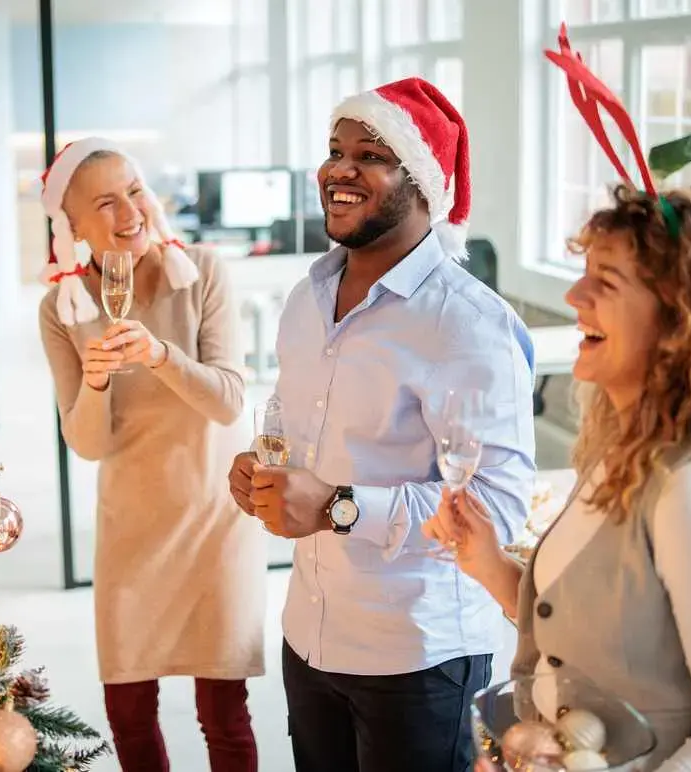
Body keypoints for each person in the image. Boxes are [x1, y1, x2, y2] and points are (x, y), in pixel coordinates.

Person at [428, 32, 691, 771]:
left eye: (604, 281)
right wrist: (484, 561)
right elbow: (589, 650)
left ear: (681, 323)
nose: (573, 296)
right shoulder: (622, 455)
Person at [228, 78, 537, 772]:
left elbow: (498, 506)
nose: (340, 168)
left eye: (371, 153)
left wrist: (336, 506)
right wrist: (259, 464)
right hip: (308, 635)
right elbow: (288, 412)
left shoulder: (466, 322)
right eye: (336, 149)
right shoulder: (308, 297)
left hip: (418, 656)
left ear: (422, 182)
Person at [37, 137, 266, 772]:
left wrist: (161, 357)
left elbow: (228, 402)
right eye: (105, 203)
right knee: (130, 718)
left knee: (225, 717)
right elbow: (89, 444)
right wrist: (98, 377)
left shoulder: (204, 271)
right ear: (73, 224)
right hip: (132, 530)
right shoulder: (63, 309)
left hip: (214, 522)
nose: (129, 212)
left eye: (135, 191)